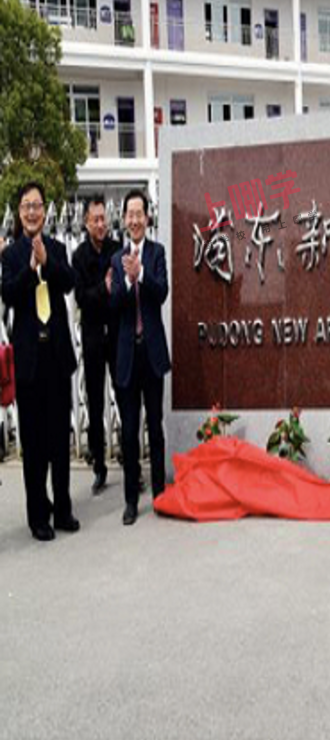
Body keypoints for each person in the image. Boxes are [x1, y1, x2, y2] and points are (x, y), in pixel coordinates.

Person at [0, 182, 79, 541]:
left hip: (56, 356)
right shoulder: (11, 255)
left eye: (37, 205)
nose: (32, 212)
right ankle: (38, 516)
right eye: (26, 206)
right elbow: (9, 294)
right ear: (19, 213)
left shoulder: (57, 248)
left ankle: (62, 509)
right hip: (30, 359)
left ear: (45, 211)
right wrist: (31, 268)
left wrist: (47, 261)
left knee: (59, 438)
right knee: (33, 443)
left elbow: (68, 282)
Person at [110, 190, 171, 525]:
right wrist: (124, 280)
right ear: (124, 219)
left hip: (152, 354)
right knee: (130, 431)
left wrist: (142, 275)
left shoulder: (157, 253)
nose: (134, 220)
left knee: (155, 429)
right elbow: (114, 305)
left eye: (139, 214)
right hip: (127, 356)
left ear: (147, 217)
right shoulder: (116, 259)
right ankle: (131, 501)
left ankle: (160, 494)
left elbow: (161, 292)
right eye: (130, 214)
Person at [72, 195, 121, 495]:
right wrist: (103, 288)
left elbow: (122, 290)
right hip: (92, 337)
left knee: (124, 396)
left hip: (116, 333)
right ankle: (99, 467)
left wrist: (103, 292)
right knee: (95, 401)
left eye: (104, 218)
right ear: (86, 222)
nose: (101, 224)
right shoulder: (79, 256)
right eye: (96, 220)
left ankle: (129, 460)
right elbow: (82, 298)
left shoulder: (117, 250)